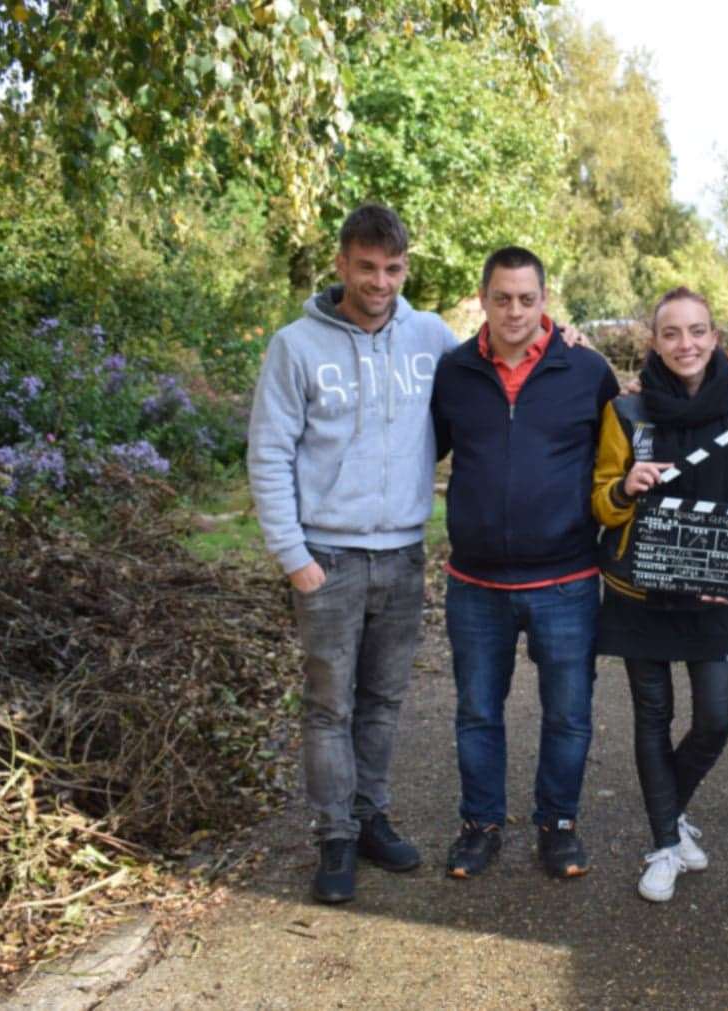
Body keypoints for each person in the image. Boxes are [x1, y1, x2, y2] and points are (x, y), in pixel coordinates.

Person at [248, 203, 458, 904]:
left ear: (406, 267)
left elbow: (498, 372)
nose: (379, 281)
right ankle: (334, 835)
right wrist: (292, 554)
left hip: (401, 555)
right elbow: (270, 453)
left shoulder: (430, 337)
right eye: (366, 266)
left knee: (384, 701)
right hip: (328, 558)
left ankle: (372, 818)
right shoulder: (295, 346)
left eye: (393, 268)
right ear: (341, 263)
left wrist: (562, 335)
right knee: (328, 705)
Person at [591, 287, 728, 903]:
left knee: (715, 720)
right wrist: (625, 488)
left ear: (715, 336)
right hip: (639, 591)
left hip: (711, 593)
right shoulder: (625, 414)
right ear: (654, 340)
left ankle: (669, 812)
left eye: (697, 331)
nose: (686, 344)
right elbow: (599, 501)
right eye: (672, 333)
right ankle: (664, 843)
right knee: (651, 717)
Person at [431, 246, 620, 880]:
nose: (515, 311)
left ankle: (558, 825)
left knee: (567, 715)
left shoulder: (587, 371)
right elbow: (423, 451)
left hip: (565, 580)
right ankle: (480, 824)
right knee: (478, 713)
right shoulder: (454, 372)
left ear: (546, 301)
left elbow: (617, 459)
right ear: (483, 298)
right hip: (476, 585)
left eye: (527, 299)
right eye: (502, 298)